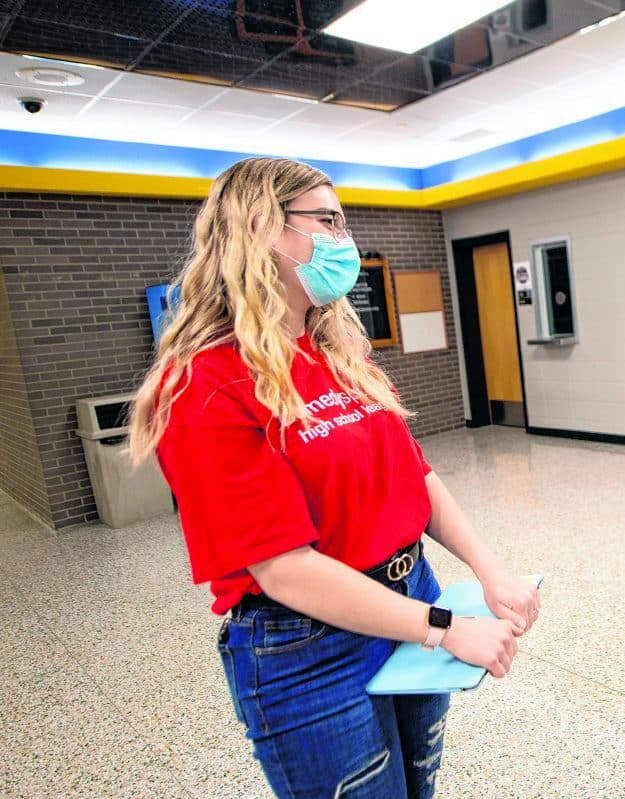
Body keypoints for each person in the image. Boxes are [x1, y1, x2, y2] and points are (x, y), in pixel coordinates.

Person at [128, 157, 539, 799]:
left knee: (415, 784)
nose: (344, 240)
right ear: (262, 227)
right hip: (308, 647)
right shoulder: (203, 383)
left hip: (409, 598)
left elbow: (415, 475)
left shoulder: (336, 352)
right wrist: (446, 628)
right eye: (328, 220)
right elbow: (281, 566)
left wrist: (491, 572)